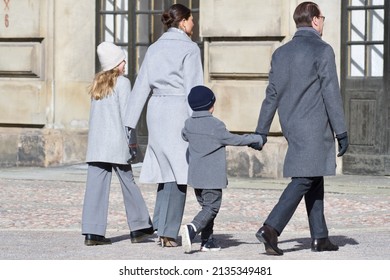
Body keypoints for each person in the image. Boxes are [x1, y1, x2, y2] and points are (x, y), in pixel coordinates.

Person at [251, 1, 349, 255]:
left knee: (313, 175)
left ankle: (320, 236)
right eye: (323, 18)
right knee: (304, 178)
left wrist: (262, 131)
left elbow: (271, 95)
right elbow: (331, 93)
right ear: (315, 20)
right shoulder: (322, 50)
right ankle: (271, 228)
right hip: (314, 126)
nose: (323, 22)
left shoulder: (280, 53)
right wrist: (341, 131)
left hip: (291, 125)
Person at [124, 4, 203, 247]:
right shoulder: (189, 48)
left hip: (156, 109)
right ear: (183, 22)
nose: (193, 24)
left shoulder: (154, 48)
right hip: (178, 108)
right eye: (191, 20)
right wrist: (199, 120)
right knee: (179, 172)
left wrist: (129, 122)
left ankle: (160, 224)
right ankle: (168, 233)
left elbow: (141, 86)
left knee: (164, 170)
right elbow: (194, 88)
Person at [81, 42, 154, 246]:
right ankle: (139, 227)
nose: (125, 64)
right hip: (117, 143)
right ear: (115, 64)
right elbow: (127, 117)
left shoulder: (97, 84)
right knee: (128, 183)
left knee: (95, 188)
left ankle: (92, 233)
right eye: (122, 61)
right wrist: (133, 145)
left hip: (97, 146)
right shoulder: (123, 83)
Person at [180, 85, 263, 253]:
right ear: (211, 105)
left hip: (196, 177)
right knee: (212, 208)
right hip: (211, 177)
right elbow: (233, 139)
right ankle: (191, 229)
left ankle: (207, 241)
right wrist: (255, 139)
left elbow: (183, 135)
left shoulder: (188, 124)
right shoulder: (215, 125)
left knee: (206, 208)